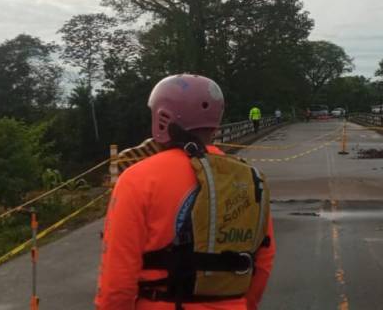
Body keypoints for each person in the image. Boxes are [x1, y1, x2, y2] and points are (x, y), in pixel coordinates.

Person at [96, 74, 275, 310]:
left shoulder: (138, 179)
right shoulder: (249, 178)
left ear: (162, 116)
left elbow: (117, 281)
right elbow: (262, 262)